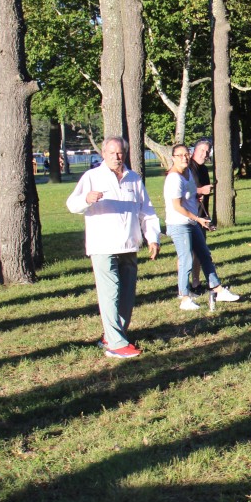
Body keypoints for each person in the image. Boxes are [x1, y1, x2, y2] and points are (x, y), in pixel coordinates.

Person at [66, 137, 161, 358]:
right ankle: (116, 345)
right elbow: (72, 204)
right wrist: (86, 199)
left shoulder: (134, 178)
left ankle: (113, 335)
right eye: (111, 153)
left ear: (125, 154)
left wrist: (152, 238)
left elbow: (146, 211)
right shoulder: (92, 177)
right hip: (103, 245)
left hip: (129, 244)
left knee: (127, 294)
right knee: (110, 292)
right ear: (103, 154)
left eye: (120, 153)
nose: (116, 157)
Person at [163, 144, 240, 310]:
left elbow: (190, 195)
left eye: (186, 154)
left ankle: (218, 290)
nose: (184, 158)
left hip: (191, 221)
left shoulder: (188, 173)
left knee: (205, 255)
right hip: (179, 224)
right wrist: (198, 219)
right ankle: (184, 298)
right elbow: (177, 206)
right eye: (179, 155)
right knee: (186, 260)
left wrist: (196, 197)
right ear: (173, 158)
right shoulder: (174, 178)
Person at [188, 138, 214, 294]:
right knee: (186, 253)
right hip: (188, 216)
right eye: (202, 150)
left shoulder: (203, 169)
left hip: (201, 216)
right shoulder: (187, 167)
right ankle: (183, 287)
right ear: (194, 151)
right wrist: (200, 190)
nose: (204, 154)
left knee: (199, 251)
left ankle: (196, 283)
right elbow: (183, 190)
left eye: (207, 151)